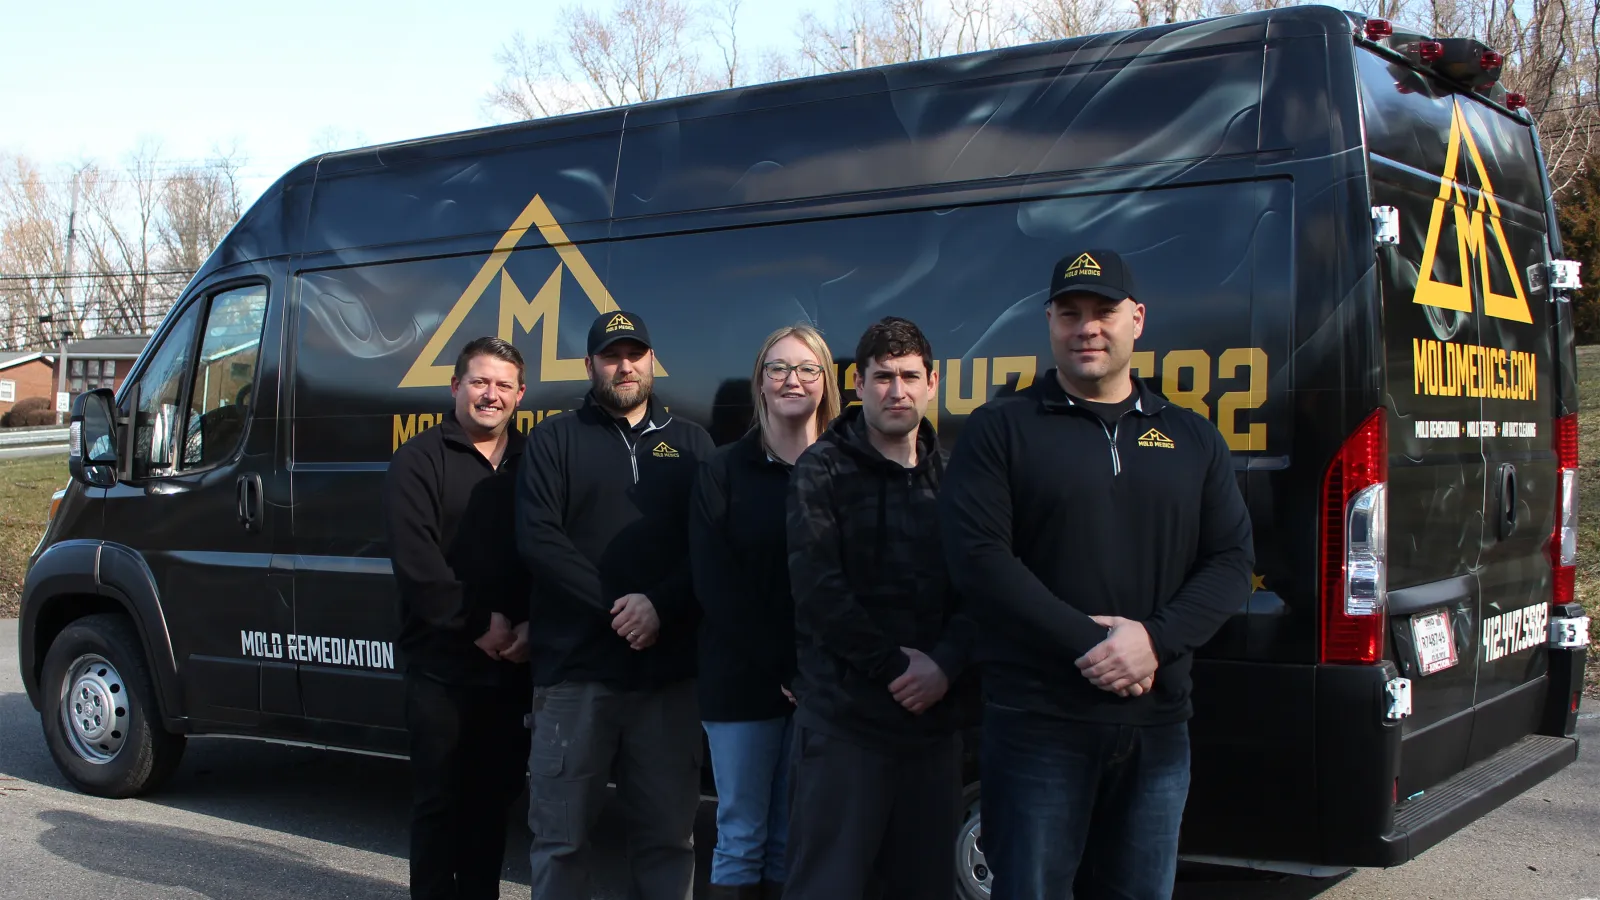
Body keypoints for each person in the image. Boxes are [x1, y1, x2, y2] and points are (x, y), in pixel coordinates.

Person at [939, 248, 1255, 900]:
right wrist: (1093, 642)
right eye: (1070, 312)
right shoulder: (1001, 430)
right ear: (1049, 321)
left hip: (1156, 732)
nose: (1087, 327)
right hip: (1036, 728)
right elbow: (981, 561)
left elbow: (1231, 563)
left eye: (1104, 312)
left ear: (1136, 319)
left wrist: (1154, 641)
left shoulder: (1193, 438)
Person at [515, 309, 716, 900]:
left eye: (635, 353)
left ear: (652, 361)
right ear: (590, 366)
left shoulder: (693, 442)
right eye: (611, 355)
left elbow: (706, 548)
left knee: (667, 842)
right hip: (576, 677)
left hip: (667, 681)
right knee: (561, 842)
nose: (624, 365)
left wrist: (659, 606)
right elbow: (539, 540)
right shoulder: (554, 439)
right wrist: (619, 609)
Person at [783, 316, 976, 900]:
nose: (898, 391)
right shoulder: (822, 468)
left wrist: (943, 666)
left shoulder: (958, 476)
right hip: (847, 725)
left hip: (933, 730)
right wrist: (896, 669)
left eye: (910, 376)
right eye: (883, 377)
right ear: (859, 384)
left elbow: (983, 585)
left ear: (933, 382)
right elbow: (819, 589)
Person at [690, 324, 843, 900]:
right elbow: (716, 583)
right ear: (760, 381)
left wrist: (816, 669)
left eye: (806, 368)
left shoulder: (842, 468)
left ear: (825, 382)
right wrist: (786, 667)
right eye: (778, 368)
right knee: (743, 835)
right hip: (743, 681)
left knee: (792, 837)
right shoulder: (725, 469)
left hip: (823, 683)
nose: (792, 380)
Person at [381, 336, 534, 900]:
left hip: (513, 668)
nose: (489, 395)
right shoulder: (418, 460)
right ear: (455, 387)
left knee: (492, 808)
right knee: (439, 806)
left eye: (502, 385)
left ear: (520, 395)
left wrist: (531, 626)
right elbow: (419, 567)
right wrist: (480, 625)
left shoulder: (536, 460)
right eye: (479, 382)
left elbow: (552, 549)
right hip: (440, 671)